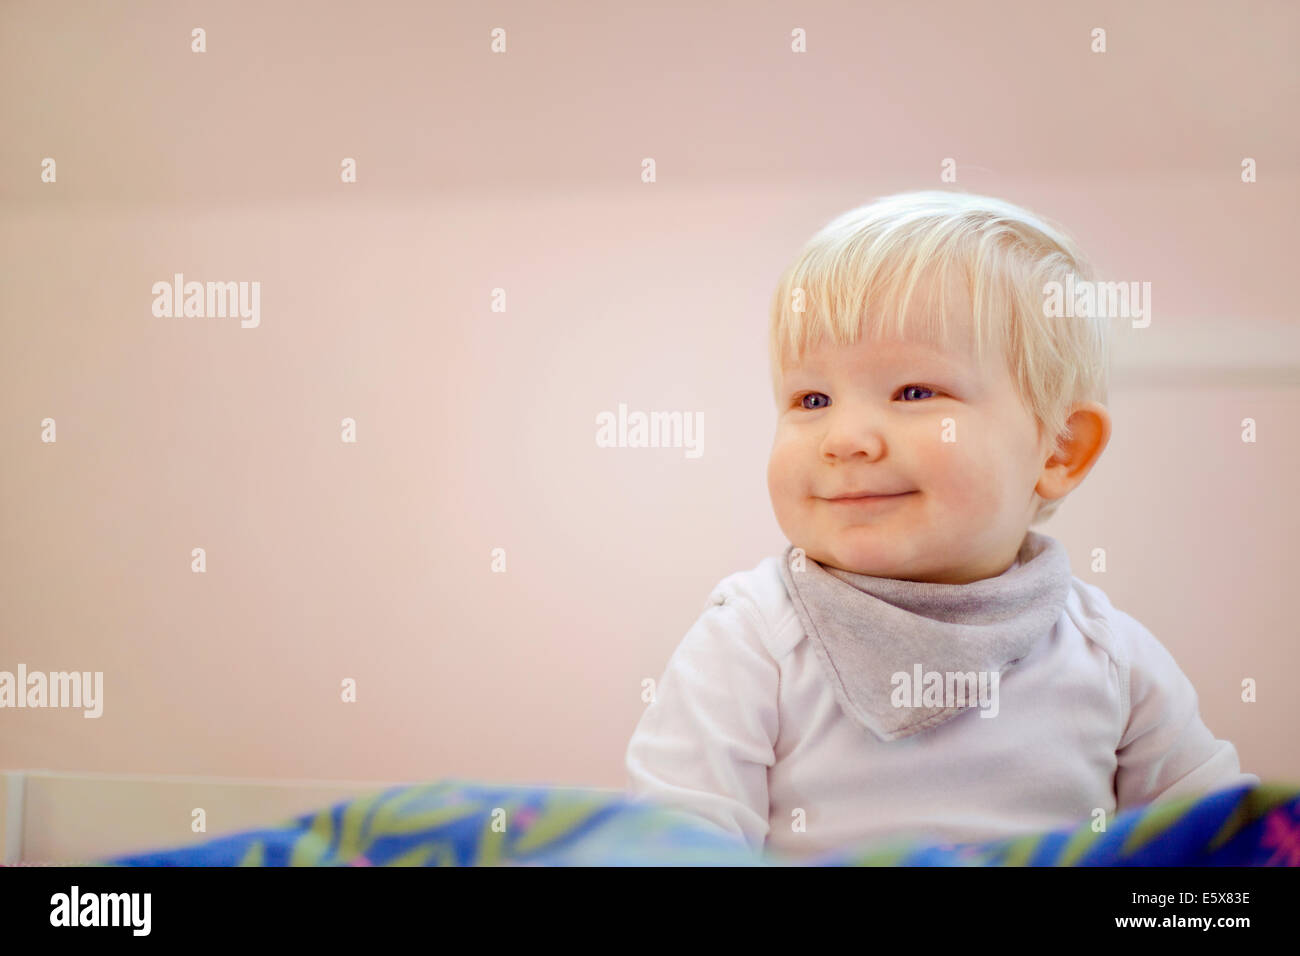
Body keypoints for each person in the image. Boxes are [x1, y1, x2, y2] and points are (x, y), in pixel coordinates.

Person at [624, 190, 1258, 859]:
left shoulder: (1109, 656)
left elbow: (1223, 848)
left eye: (915, 393)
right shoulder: (753, 641)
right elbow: (672, 845)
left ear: (1059, 449)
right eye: (812, 398)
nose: (846, 438)